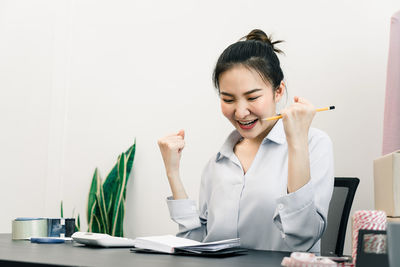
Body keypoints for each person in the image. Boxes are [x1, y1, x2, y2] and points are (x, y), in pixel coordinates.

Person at [157, 29, 334, 253]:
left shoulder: (314, 143)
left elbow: (303, 238)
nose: (240, 112)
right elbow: (197, 244)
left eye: (252, 97)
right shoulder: (217, 164)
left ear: (278, 91)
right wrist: (172, 172)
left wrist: (297, 141)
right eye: (228, 99)